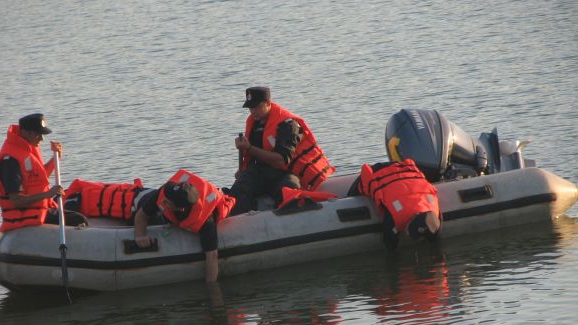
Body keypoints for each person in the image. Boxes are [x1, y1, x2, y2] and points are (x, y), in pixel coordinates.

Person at [229, 86, 335, 215]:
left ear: (268, 103)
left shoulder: (288, 124)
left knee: (289, 190)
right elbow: (254, 157)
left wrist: (250, 148)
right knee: (238, 190)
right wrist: (243, 170)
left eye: (256, 106)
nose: (253, 111)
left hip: (284, 173)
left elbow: (281, 161)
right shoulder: (253, 123)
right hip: (259, 173)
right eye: (250, 107)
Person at [133, 169, 235, 283]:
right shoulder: (166, 191)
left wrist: (211, 288)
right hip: (156, 201)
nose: (164, 200)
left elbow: (212, 256)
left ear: (180, 208)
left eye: (168, 202)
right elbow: (141, 214)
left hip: (207, 206)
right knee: (143, 206)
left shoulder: (206, 220)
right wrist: (140, 235)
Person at [0, 113, 87, 232]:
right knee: (78, 220)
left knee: (77, 214)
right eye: (38, 134)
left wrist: (56, 158)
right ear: (26, 132)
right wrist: (48, 194)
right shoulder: (10, 160)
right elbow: (16, 201)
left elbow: (38, 179)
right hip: (24, 215)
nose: (42, 139)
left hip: (40, 209)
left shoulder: (25, 150)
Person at [357, 159, 442, 250]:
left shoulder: (434, 211)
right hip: (375, 171)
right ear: (411, 219)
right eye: (409, 231)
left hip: (403, 167)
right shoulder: (397, 213)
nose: (407, 234)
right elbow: (389, 240)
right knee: (359, 189)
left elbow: (436, 229)